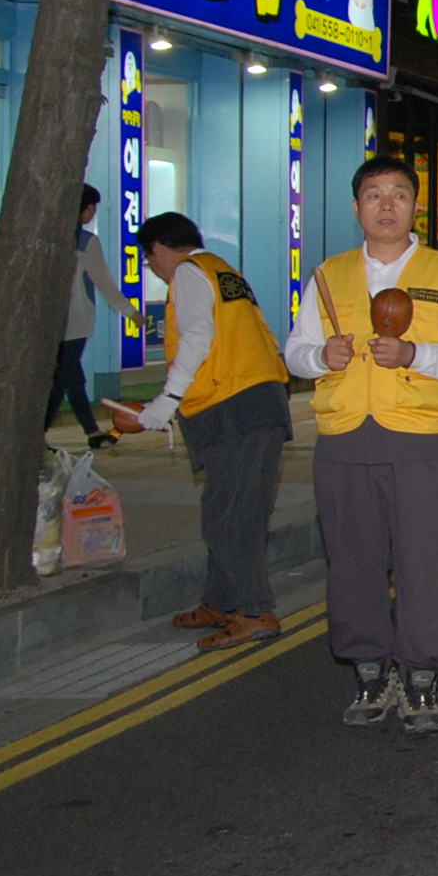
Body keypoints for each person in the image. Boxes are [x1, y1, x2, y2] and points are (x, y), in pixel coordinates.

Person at [283, 155, 438, 732]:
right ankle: (369, 668)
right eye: (374, 195)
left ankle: (422, 675)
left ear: (415, 206)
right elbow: (294, 352)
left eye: (398, 194)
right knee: (353, 562)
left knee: (425, 560)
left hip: (418, 436)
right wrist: (322, 356)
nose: (386, 205)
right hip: (344, 437)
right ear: (356, 208)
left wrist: (415, 353)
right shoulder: (329, 274)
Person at [132, 213, 290, 650]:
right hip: (261, 400)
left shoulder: (187, 272)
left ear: (158, 249)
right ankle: (220, 602)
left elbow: (198, 336)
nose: (153, 268)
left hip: (233, 407)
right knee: (238, 511)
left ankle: (255, 611)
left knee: (227, 518)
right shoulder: (222, 270)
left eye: (149, 259)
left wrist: (166, 401)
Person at [50, 185, 133, 449]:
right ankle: (42, 432)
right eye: (92, 208)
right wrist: (129, 311)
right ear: (84, 209)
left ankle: (92, 431)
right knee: (64, 377)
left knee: (67, 376)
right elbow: (104, 282)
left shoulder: (48, 237)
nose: (93, 213)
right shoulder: (87, 242)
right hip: (77, 320)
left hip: (49, 322)